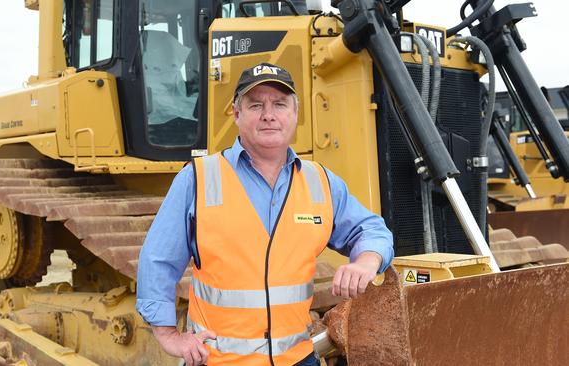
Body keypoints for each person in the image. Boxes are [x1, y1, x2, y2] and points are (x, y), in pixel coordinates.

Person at [137, 62, 394, 366]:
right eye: (256, 104)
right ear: (236, 114)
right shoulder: (199, 179)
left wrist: (366, 261)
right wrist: (167, 333)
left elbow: (372, 230)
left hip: (297, 359)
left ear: (295, 115)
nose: (269, 114)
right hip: (221, 361)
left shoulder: (320, 182)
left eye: (280, 104)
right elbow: (158, 260)